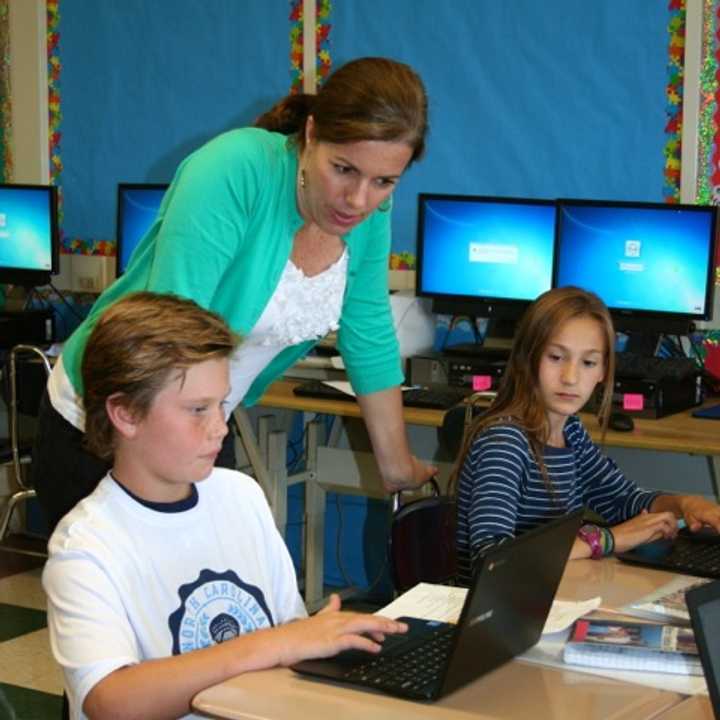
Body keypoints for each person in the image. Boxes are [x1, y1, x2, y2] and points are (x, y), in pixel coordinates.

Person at [34, 56, 437, 532]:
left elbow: (367, 330)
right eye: (344, 169)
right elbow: (169, 329)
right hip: (111, 423)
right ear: (311, 135)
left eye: (384, 181)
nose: (359, 200)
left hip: (201, 421)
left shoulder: (370, 208)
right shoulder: (235, 169)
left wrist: (396, 465)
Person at [42, 292, 408, 720]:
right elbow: (111, 701)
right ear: (125, 415)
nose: (220, 427)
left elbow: (286, 633)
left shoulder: (241, 495)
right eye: (197, 409)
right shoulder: (85, 548)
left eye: (222, 404)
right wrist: (275, 644)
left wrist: (318, 638)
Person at [453, 286, 720, 586]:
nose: (570, 376)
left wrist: (685, 504)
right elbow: (493, 561)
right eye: (555, 357)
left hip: (546, 601)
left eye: (588, 362)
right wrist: (606, 540)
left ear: (603, 371)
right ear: (527, 358)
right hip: (498, 618)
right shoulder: (504, 442)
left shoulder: (570, 432)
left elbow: (623, 500)